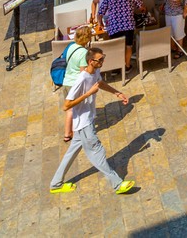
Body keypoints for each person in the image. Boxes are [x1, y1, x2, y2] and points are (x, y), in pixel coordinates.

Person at [49, 48, 135, 196]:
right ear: (91, 61)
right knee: (97, 152)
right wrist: (88, 94)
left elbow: (100, 83)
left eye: (103, 58)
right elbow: (66, 105)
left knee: (71, 153)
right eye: (100, 59)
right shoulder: (81, 79)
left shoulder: (95, 72)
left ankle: (56, 184)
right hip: (84, 123)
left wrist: (117, 93)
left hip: (86, 120)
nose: (103, 61)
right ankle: (117, 184)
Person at [96, 0, 145, 70]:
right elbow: (142, 8)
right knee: (128, 46)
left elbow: (100, 13)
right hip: (128, 25)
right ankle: (127, 66)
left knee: (115, 48)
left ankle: (116, 69)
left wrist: (101, 24)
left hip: (114, 27)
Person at [61, 26, 92, 141]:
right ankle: (72, 133)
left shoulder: (71, 46)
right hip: (74, 84)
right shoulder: (84, 53)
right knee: (75, 110)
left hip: (66, 81)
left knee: (69, 109)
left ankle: (67, 133)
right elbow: (82, 73)